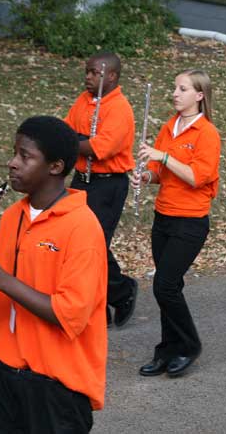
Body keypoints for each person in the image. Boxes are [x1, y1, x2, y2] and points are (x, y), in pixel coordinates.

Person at [0, 116, 107, 433]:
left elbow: (69, 315)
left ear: (55, 167)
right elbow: (9, 294)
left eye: (25, 156)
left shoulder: (82, 227)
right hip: (5, 375)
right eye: (14, 153)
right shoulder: (15, 216)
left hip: (58, 388)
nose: (12, 163)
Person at [131, 69, 221, 378]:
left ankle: (189, 345)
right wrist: (146, 175)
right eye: (174, 88)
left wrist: (164, 158)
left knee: (164, 285)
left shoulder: (207, 133)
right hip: (164, 217)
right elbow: (158, 171)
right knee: (171, 287)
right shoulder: (170, 126)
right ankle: (167, 350)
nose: (175, 93)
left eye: (182, 89)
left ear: (199, 95)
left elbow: (197, 177)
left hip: (190, 222)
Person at [64, 52, 138, 328]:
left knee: (93, 246)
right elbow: (65, 131)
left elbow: (100, 148)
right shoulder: (83, 101)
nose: (88, 77)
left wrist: (77, 141)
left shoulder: (120, 108)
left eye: (95, 72)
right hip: (81, 178)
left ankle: (121, 291)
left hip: (108, 183)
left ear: (112, 76)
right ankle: (102, 302)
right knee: (76, 243)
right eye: (87, 71)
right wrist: (79, 140)